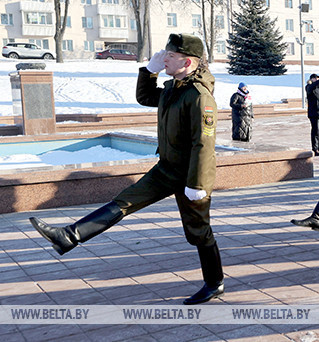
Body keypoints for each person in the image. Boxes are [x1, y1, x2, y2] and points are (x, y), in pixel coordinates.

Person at [29, 34, 225, 304]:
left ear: (187, 61)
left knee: (199, 231)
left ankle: (215, 283)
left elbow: (203, 145)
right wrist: (149, 71)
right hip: (166, 169)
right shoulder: (174, 88)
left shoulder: (199, 97)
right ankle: (68, 236)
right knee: (124, 201)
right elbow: (145, 97)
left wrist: (198, 185)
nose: (163, 59)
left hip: (191, 175)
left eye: (169, 56)